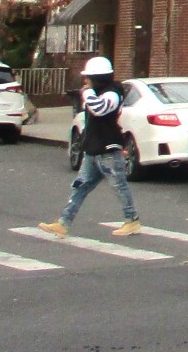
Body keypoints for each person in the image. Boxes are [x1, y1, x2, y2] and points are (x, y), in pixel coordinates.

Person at [39, 56, 140, 238]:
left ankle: (132, 220)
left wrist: (87, 94)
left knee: (119, 186)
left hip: (108, 149)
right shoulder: (100, 92)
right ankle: (63, 223)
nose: (85, 81)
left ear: (97, 77)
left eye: (88, 77)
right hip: (93, 149)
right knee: (80, 186)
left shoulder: (112, 93)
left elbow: (99, 109)